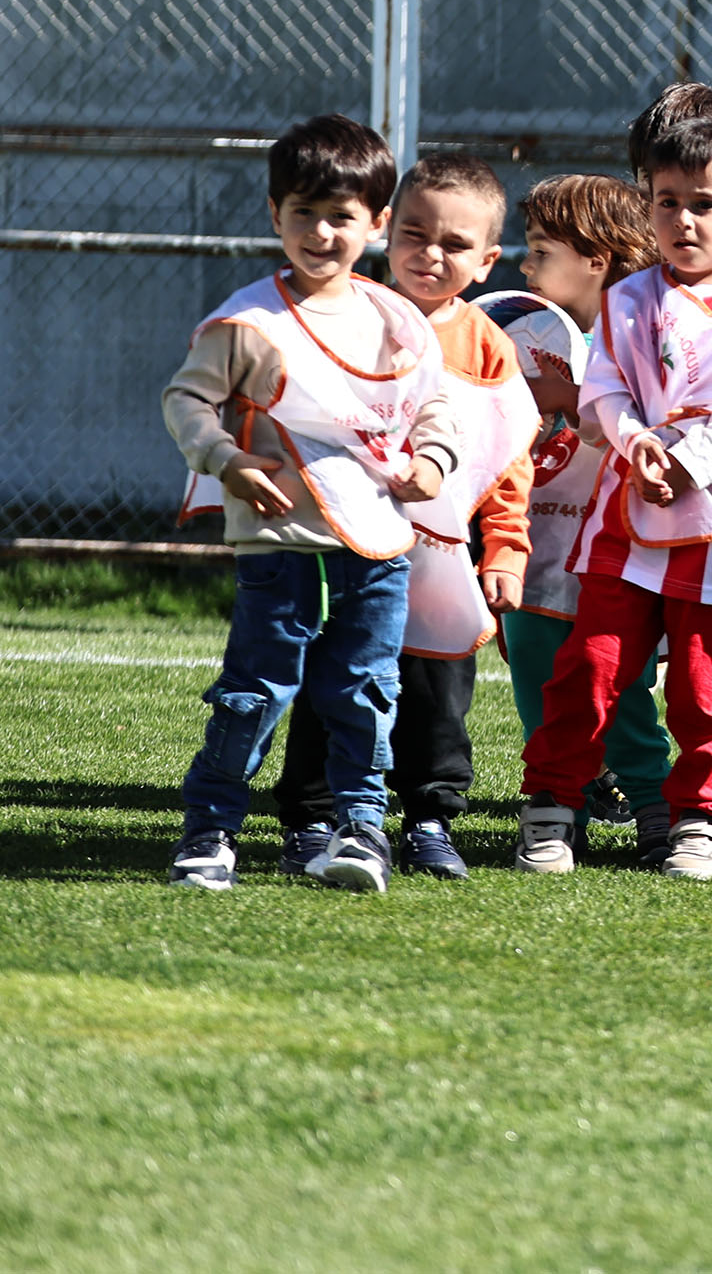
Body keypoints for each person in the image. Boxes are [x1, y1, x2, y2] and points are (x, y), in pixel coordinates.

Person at [162, 114, 461, 894]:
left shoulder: (397, 319)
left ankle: (361, 833)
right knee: (254, 694)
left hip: (377, 546)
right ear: (275, 214)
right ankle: (210, 834)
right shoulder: (250, 321)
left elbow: (434, 405)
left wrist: (433, 460)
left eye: (341, 216)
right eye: (304, 213)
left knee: (365, 691)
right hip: (279, 544)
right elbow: (186, 400)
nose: (321, 233)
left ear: (376, 222)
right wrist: (225, 459)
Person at [518, 86, 712, 882]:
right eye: (666, 202)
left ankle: (700, 820)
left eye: (703, 204)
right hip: (627, 518)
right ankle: (552, 806)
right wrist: (636, 440)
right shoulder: (628, 296)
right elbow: (604, 386)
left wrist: (687, 462)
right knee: (590, 667)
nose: (683, 220)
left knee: (707, 692)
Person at [272, 152, 535, 883]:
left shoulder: (488, 346)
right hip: (350, 544)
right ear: (387, 231)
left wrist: (505, 550)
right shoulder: (347, 315)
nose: (431, 255)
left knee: (437, 689)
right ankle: (312, 818)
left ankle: (428, 819)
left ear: (486, 262)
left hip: (442, 554)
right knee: (337, 676)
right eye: (416, 235)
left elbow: (509, 458)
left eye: (455, 244)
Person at [477, 174, 677, 866]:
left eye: (541, 251)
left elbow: (645, 425)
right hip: (536, 549)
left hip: (614, 560)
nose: (526, 266)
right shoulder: (517, 337)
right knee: (538, 688)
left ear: (596, 259)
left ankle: (653, 801)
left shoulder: (646, 336)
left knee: (620, 692)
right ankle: (559, 807)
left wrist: (567, 394)